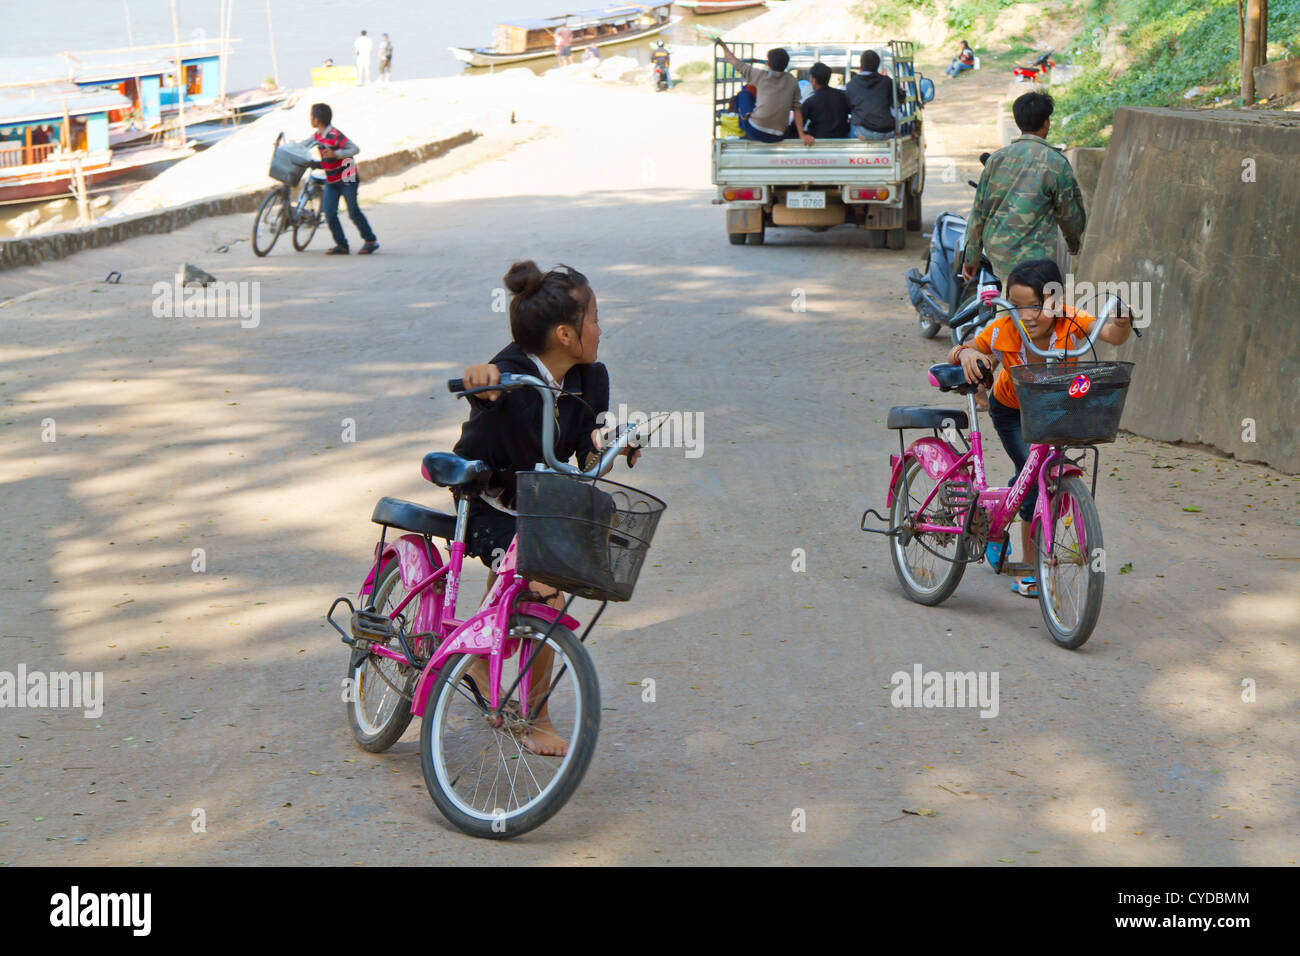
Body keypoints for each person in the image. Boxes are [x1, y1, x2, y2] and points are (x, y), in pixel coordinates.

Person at [455, 261, 641, 755]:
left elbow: (584, 448)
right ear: (565, 333)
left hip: (539, 503)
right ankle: (536, 716)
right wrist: (483, 387)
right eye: (595, 318)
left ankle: (476, 656)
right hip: (489, 501)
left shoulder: (589, 378)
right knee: (543, 588)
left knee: (528, 566)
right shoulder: (509, 374)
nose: (601, 328)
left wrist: (608, 442)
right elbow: (487, 394)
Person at [949, 258, 1132, 595]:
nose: (1026, 316)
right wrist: (965, 355)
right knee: (1032, 476)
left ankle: (1003, 509)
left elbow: (1112, 334)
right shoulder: (1004, 329)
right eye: (1016, 307)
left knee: (1039, 476)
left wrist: (1122, 321)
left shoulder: (1071, 322)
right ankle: (1033, 565)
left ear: (1056, 302)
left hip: (1056, 409)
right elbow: (964, 347)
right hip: (1012, 410)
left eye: (1036, 306)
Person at [961, 91, 1086, 284]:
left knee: (1006, 305)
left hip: (999, 259)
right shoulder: (1055, 163)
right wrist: (1073, 242)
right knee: (1030, 310)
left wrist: (971, 255)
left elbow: (978, 211)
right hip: (1036, 263)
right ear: (1046, 123)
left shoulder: (996, 160)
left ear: (1018, 122)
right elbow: (1070, 213)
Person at [300, 103, 378, 255]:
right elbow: (304, 145)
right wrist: (288, 148)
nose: (310, 119)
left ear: (318, 120)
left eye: (312, 116)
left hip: (347, 176)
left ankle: (371, 241)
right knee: (329, 212)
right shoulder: (317, 136)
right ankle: (342, 245)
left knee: (353, 211)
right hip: (332, 178)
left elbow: (355, 149)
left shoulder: (335, 135)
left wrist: (337, 154)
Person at [716, 41, 812, 145]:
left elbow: (734, 61)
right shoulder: (792, 81)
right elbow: (797, 109)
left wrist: (723, 46)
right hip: (779, 135)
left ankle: (742, 124)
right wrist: (801, 134)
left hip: (755, 131)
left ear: (768, 64)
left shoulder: (760, 75)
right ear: (786, 64)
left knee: (743, 95)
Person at [846, 50, 905, 140]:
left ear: (860, 66)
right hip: (887, 132)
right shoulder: (887, 81)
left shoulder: (851, 84)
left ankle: (853, 152)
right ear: (877, 66)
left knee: (849, 128)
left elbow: (850, 107)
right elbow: (895, 102)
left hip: (862, 133)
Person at [801, 62, 850, 138]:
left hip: (818, 142)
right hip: (841, 141)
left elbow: (798, 124)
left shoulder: (810, 101)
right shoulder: (842, 96)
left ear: (814, 80)